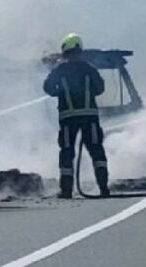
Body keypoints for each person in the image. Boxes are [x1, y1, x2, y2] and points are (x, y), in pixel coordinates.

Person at [43, 33, 109, 199]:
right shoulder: (90, 68)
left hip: (68, 118)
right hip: (90, 117)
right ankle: (103, 188)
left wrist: (61, 94)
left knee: (66, 152)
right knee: (96, 151)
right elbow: (100, 88)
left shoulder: (60, 70)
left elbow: (48, 88)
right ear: (80, 50)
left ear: (65, 51)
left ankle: (66, 191)